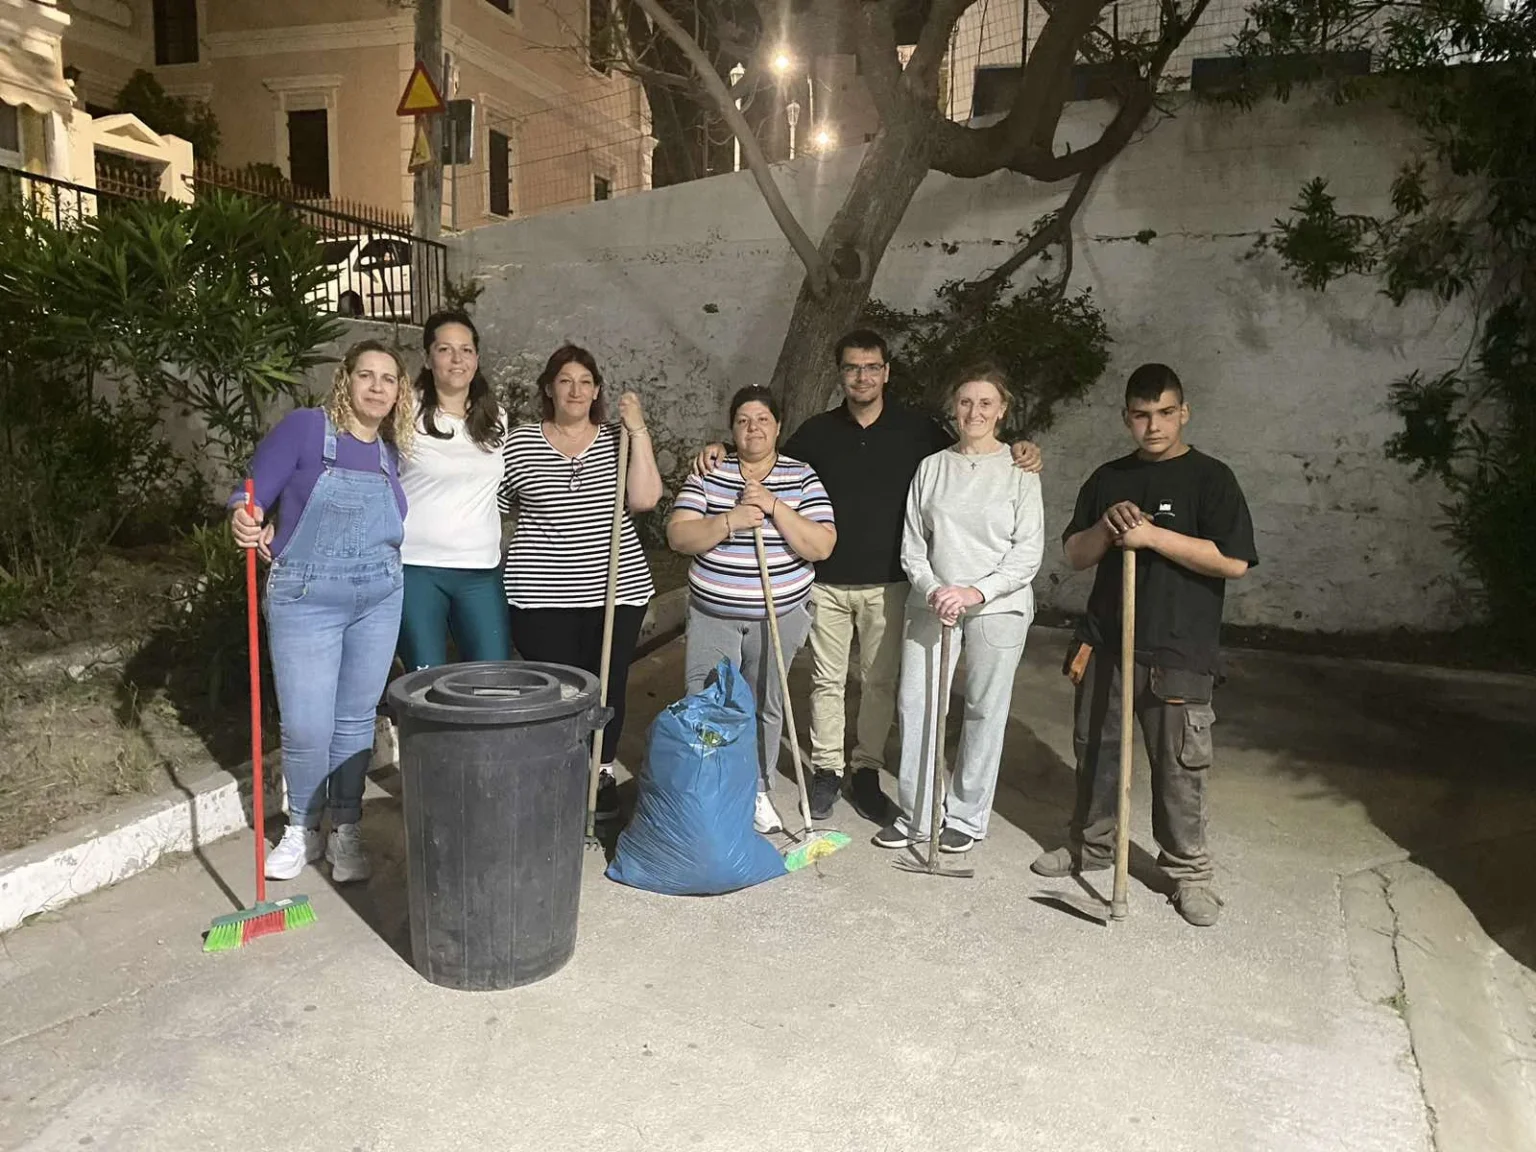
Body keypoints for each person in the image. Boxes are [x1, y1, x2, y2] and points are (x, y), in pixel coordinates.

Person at [694, 330, 1043, 826]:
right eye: (853, 368)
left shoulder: (920, 431)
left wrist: (1023, 449)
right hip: (827, 581)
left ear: (887, 372)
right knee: (827, 681)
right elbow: (767, 459)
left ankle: (866, 768)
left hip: (891, 582)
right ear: (842, 374)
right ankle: (829, 770)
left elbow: (975, 455)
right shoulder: (816, 432)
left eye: (872, 367)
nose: (863, 376)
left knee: (880, 682)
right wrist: (720, 448)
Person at [1031, 362, 1257, 927]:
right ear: (1126, 417)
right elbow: (1075, 554)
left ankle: (1188, 872)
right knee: (1098, 754)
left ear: (1184, 413)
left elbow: (1233, 561)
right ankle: (1092, 848)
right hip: (1109, 642)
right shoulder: (1108, 479)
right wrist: (1109, 530)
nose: (1153, 426)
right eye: (1140, 415)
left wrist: (1153, 536)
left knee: (1180, 766)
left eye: (1164, 413)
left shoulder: (1212, 479)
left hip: (1180, 648)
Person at [230, 339, 413, 883]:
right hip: (306, 600)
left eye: (388, 378)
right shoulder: (307, 429)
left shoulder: (389, 453)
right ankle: (301, 828)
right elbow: (250, 494)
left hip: (379, 598)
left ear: (399, 392)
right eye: (367, 375)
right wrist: (246, 517)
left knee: (356, 721)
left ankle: (346, 829)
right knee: (308, 726)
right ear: (346, 380)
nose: (377, 387)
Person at [873, 363, 1045, 854]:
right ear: (954, 407)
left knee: (984, 710)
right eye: (966, 402)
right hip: (933, 602)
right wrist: (934, 590)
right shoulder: (932, 467)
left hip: (998, 607)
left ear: (1002, 410)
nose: (974, 411)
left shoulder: (1019, 470)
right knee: (918, 704)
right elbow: (912, 544)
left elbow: (1027, 552)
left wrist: (976, 592)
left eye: (985, 403)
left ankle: (967, 817)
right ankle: (919, 812)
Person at [499, 344, 662, 821]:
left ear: (597, 392)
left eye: (586, 382)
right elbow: (502, 505)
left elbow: (647, 498)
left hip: (615, 590)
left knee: (606, 686)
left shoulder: (619, 439)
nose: (576, 390)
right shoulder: (522, 441)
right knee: (555, 689)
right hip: (539, 594)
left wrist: (638, 429)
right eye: (566, 380)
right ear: (549, 388)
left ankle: (602, 771)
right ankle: (559, 770)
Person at [668, 386, 837, 834]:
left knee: (766, 703)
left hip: (778, 616)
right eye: (743, 420)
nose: (753, 427)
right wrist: (730, 521)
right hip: (712, 615)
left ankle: (758, 790)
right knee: (707, 702)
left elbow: (821, 545)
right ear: (732, 429)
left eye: (762, 419)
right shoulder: (710, 471)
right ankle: (709, 788)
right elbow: (679, 537)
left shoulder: (801, 476)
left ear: (778, 427)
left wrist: (773, 507)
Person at [395, 310, 509, 669]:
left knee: (491, 678)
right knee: (422, 681)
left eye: (466, 350)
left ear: (476, 358)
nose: (457, 359)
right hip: (416, 567)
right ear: (428, 358)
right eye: (445, 349)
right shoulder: (402, 411)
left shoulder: (496, 417)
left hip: (480, 567)